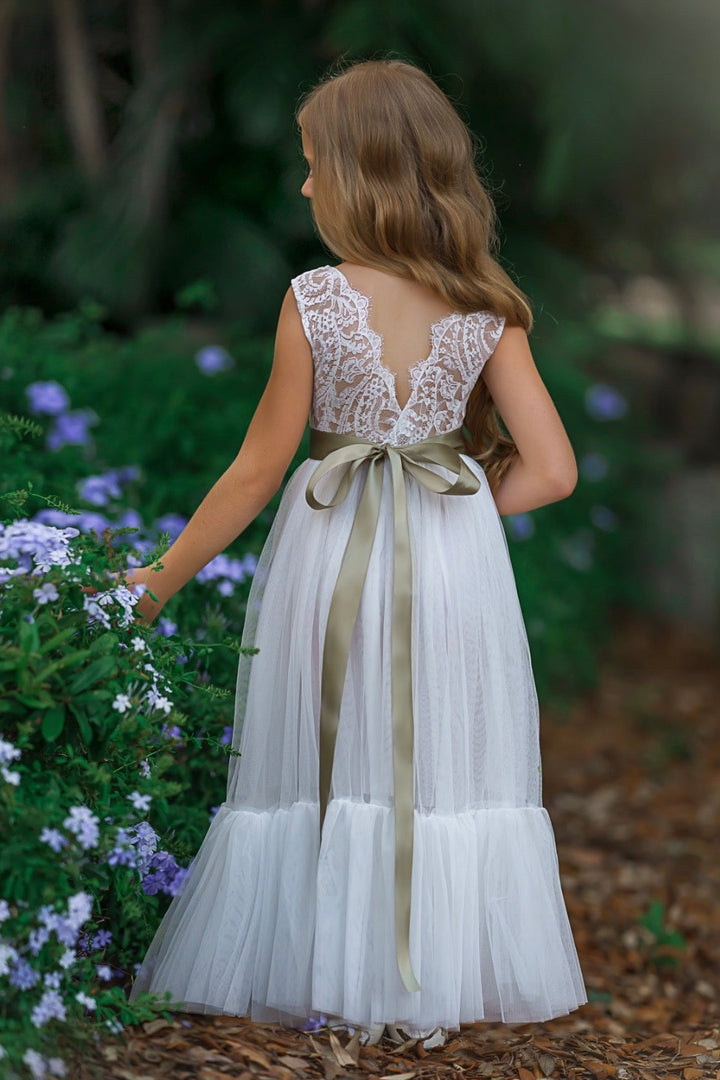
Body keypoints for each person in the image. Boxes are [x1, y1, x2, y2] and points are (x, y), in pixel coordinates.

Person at [126, 57, 587, 1049]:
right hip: (451, 567)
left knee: (326, 751)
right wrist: (457, 510)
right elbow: (553, 471)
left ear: (356, 173)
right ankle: (425, 972)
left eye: (311, 164)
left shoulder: (317, 300)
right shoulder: (486, 308)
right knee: (433, 761)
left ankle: (321, 966)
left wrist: (155, 585)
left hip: (328, 553)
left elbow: (257, 471)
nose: (302, 186)